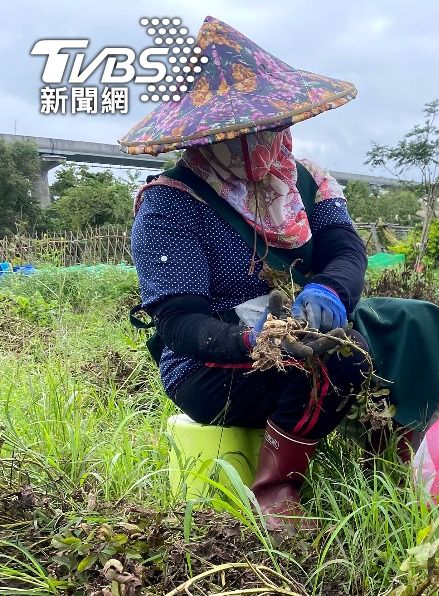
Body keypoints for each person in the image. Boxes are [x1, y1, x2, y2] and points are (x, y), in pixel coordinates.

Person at [121, 17, 374, 530]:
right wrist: (249, 341)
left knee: (401, 327)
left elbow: (344, 250)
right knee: (329, 362)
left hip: (295, 325)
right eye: (243, 133)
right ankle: (275, 492)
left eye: (271, 127)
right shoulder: (173, 204)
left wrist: (328, 289)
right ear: (209, 138)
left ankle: (387, 455)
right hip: (208, 363)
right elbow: (178, 319)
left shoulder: (305, 182)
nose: (264, 141)